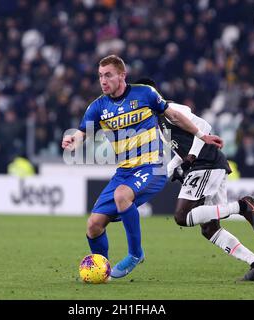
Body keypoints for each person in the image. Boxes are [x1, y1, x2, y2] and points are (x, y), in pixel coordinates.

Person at [61, 55, 223, 279]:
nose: (103, 80)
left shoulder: (145, 93)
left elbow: (173, 115)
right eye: (100, 76)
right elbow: (81, 133)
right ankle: (103, 272)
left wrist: (201, 135)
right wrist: (73, 141)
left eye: (108, 75)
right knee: (94, 225)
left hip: (152, 166)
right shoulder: (98, 106)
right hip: (124, 171)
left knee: (121, 196)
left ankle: (135, 254)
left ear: (122, 75)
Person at [135, 78, 254, 281]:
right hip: (210, 165)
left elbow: (204, 126)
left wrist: (191, 156)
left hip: (206, 163)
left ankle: (242, 206)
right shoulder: (157, 121)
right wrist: (172, 169)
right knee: (209, 229)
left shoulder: (170, 108)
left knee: (182, 216)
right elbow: (179, 148)